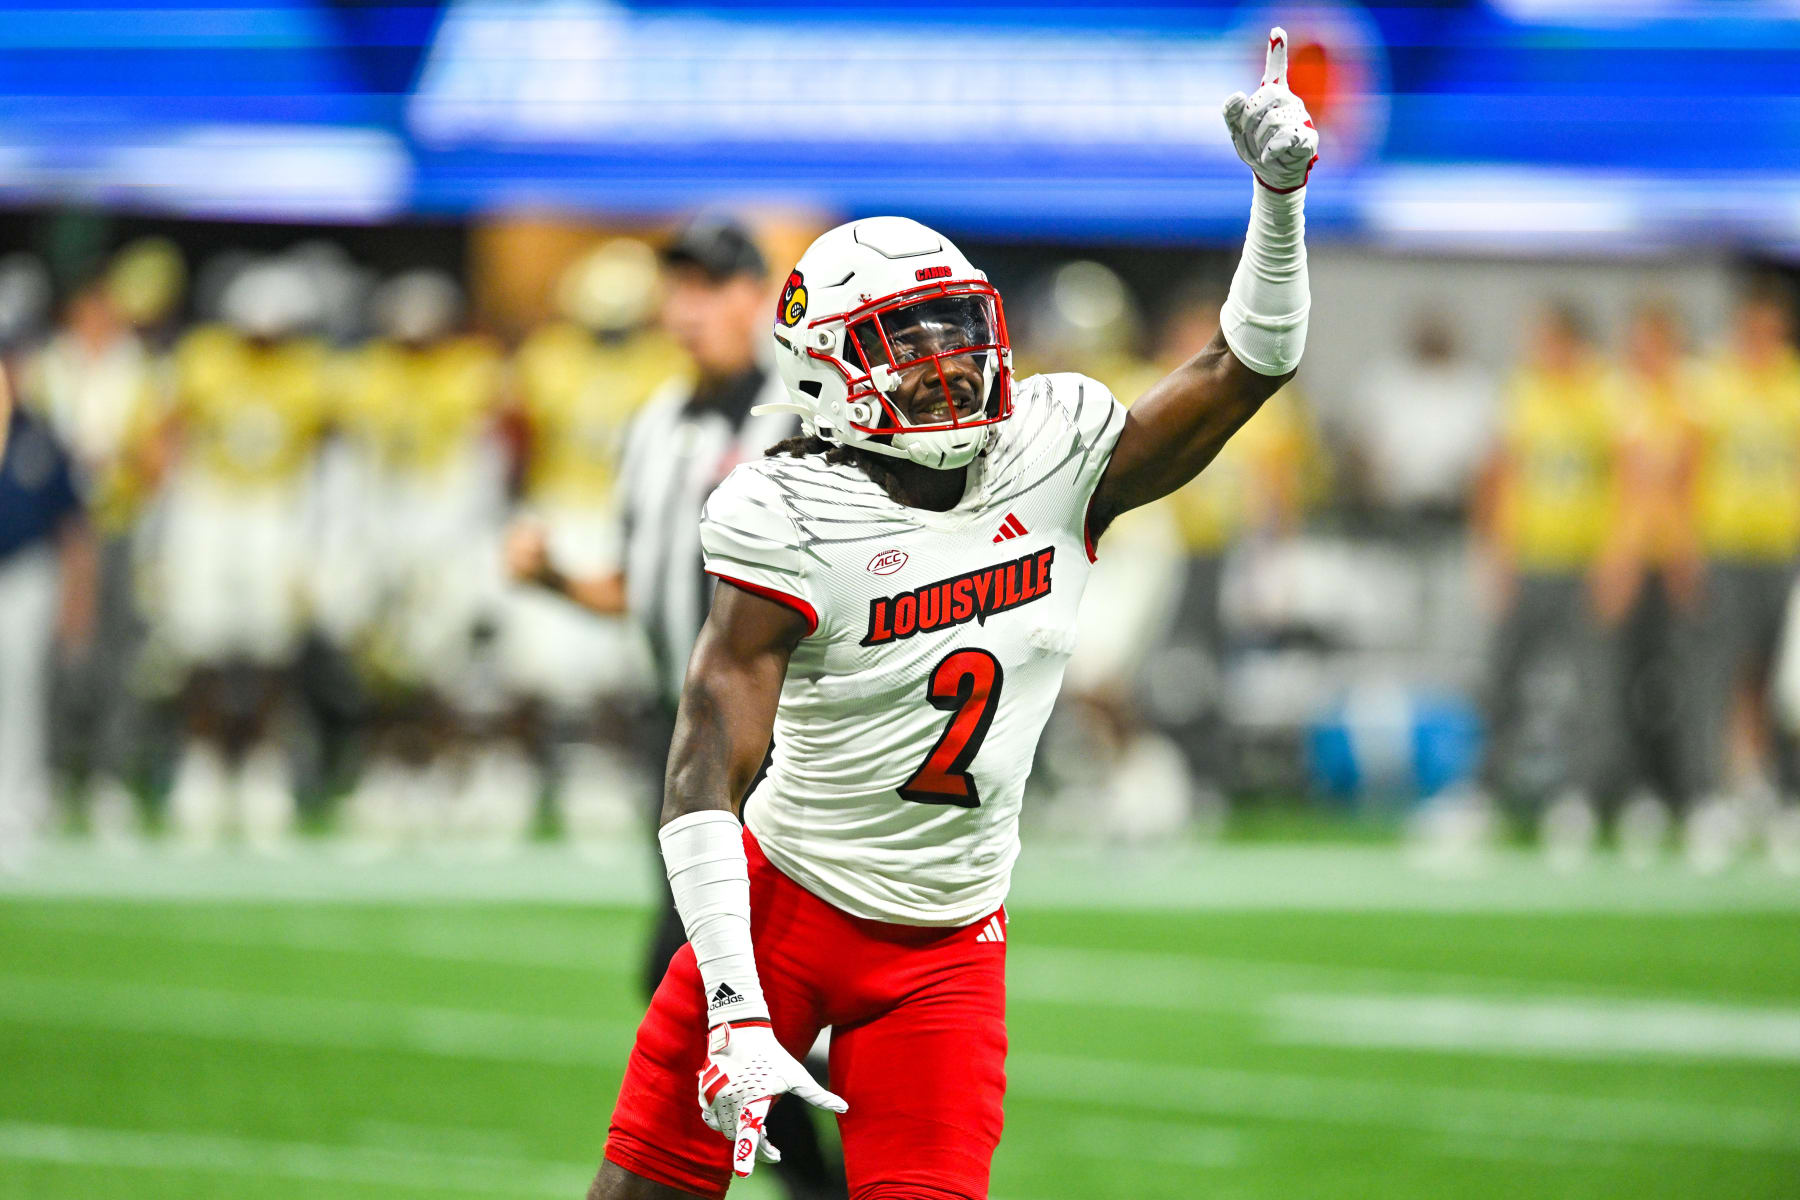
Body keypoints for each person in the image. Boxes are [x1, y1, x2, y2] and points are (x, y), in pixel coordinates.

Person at [590, 30, 1315, 1200]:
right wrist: (732, 1000)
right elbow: (701, 772)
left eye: (958, 331)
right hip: (783, 911)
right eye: (907, 345)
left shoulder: (1058, 451)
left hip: (948, 945)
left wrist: (1275, 202)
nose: (952, 367)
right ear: (825, 368)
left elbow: (1247, 369)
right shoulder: (785, 509)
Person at [1474, 301, 1623, 860]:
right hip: (1529, 560)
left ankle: (1577, 799)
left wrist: (1615, 559)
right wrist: (1494, 555)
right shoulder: (1522, 395)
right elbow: (1496, 479)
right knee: (1502, 683)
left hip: (1583, 562)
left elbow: (1627, 485)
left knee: (1591, 688)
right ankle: (1485, 796)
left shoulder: (1607, 397)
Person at [1687, 279, 1800, 864]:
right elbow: (1688, 465)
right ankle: (1718, 794)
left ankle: (1785, 796)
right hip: (1727, 547)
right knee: (1724, 675)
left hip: (1782, 550)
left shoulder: (1792, 384)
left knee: (1786, 684)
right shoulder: (1713, 384)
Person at [0, 399, 97, 869]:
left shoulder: (38, 437)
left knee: (21, 691)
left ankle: (18, 801)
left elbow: (72, 523)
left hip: (23, 571)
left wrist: (77, 602)